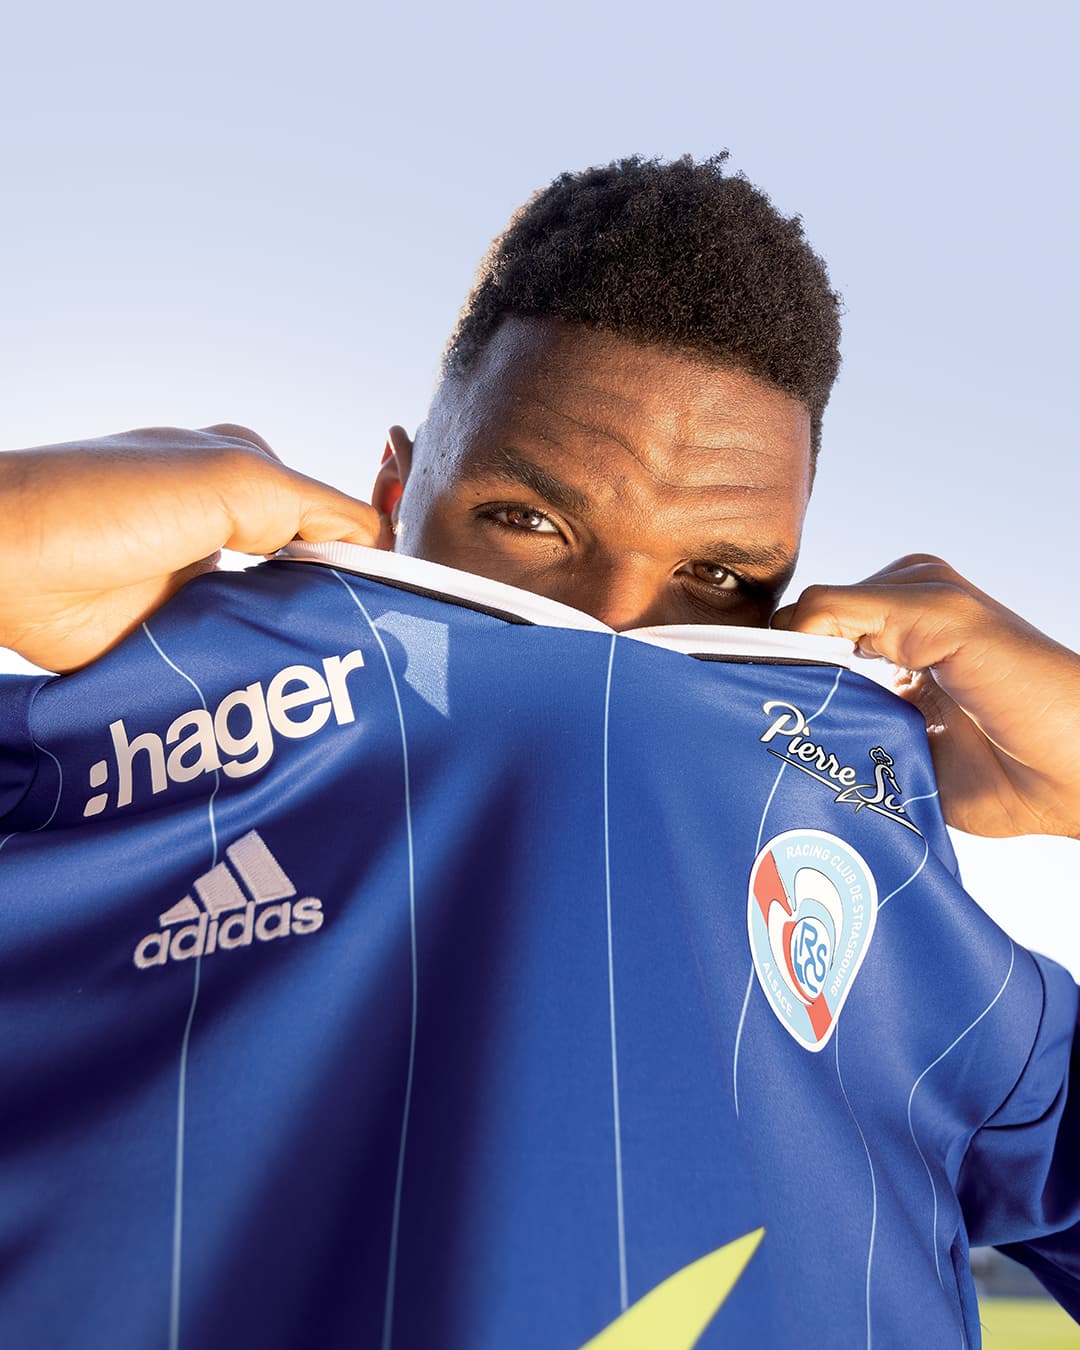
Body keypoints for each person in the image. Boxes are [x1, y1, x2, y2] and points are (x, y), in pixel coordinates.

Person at [2, 155, 1080, 1348]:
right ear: (391, 493)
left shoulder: (869, 879)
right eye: (527, 522)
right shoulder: (151, 746)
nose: (611, 630)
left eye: (717, 577)